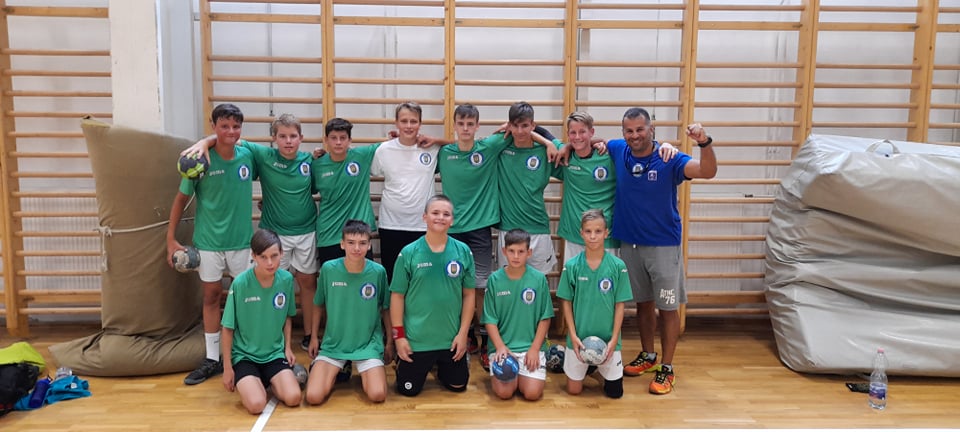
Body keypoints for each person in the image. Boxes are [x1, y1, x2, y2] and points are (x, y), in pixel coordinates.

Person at [433, 103, 556, 370]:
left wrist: (547, 141)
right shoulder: (444, 153)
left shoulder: (490, 146)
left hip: (482, 228)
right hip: (451, 230)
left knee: (482, 287)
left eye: (470, 124)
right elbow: (422, 153)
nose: (466, 128)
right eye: (461, 123)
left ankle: (490, 339)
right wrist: (426, 140)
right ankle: (464, 336)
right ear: (454, 125)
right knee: (454, 285)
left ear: (478, 126)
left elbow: (526, 133)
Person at [185, 113, 319, 352]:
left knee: (308, 282)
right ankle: (274, 337)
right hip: (274, 234)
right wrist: (204, 142)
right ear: (274, 138)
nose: (288, 141)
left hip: (306, 230)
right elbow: (229, 138)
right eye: (282, 136)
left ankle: (309, 335)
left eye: (293, 136)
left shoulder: (310, 161)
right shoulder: (263, 156)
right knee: (273, 285)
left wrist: (322, 153)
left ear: (301, 138)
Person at [610, 107, 718, 395]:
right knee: (643, 304)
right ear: (623, 133)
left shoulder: (670, 158)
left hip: (663, 246)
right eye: (629, 130)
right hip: (629, 244)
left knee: (668, 308)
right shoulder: (618, 149)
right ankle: (648, 355)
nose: (634, 135)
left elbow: (707, 171)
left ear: (652, 129)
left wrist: (704, 142)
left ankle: (667, 367)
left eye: (640, 129)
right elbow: (587, 141)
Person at [167, 103, 256, 385]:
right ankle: (212, 358)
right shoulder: (199, 161)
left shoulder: (248, 155)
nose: (230, 131)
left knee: (244, 298)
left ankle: (245, 353)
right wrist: (170, 240)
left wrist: (206, 140)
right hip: (208, 243)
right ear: (213, 125)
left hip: (242, 242)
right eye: (224, 126)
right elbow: (180, 200)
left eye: (236, 126)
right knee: (212, 296)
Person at [552, 112, 677, 261]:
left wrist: (664, 145)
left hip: (606, 237)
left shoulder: (610, 156)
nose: (577, 137)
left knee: (608, 276)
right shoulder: (565, 158)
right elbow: (538, 132)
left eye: (582, 132)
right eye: (573, 133)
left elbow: (640, 149)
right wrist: (566, 146)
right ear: (568, 134)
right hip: (574, 234)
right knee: (575, 276)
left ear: (592, 132)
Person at [390, 195, 475, 397]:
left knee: (458, 386)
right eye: (435, 213)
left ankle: (441, 366)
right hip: (417, 341)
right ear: (425, 217)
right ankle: (409, 364)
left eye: (446, 214)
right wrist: (399, 337)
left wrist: (463, 334)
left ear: (452, 220)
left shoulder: (463, 251)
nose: (440, 217)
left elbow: (469, 295)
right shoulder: (409, 253)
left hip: (451, 340)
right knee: (408, 391)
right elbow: (397, 297)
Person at [305, 220, 391, 405]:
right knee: (313, 397)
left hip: (368, 345)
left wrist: (390, 342)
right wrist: (313, 337)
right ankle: (341, 366)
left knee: (377, 395)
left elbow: (386, 308)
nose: (356, 248)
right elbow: (318, 304)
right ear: (342, 244)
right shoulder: (329, 269)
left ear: (369, 245)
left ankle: (359, 368)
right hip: (334, 345)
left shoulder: (378, 272)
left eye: (362, 243)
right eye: (351, 242)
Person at [220, 229, 301, 414]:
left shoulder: (286, 280)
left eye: (274, 256)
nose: (270, 263)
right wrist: (227, 368)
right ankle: (254, 382)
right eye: (263, 257)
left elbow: (287, 317)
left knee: (294, 398)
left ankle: (269, 381)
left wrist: (287, 348)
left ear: (282, 253)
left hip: (274, 354)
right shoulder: (240, 284)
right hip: (245, 357)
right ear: (254, 256)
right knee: (256, 405)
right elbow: (227, 328)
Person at [556, 209, 632, 399]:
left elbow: (620, 305)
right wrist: (572, 335)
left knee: (615, 393)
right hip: (579, 340)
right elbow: (566, 301)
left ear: (606, 233)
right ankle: (589, 367)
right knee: (574, 391)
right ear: (581, 233)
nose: (592, 236)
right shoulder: (572, 266)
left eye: (598, 231)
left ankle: (594, 368)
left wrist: (614, 339)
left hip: (608, 340)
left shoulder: (618, 266)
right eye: (588, 231)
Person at [481, 229, 553, 401]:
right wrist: (500, 347)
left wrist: (534, 349)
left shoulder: (539, 280)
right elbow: (490, 320)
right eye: (511, 251)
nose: (515, 256)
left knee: (532, 394)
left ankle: (524, 375)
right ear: (504, 251)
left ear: (529, 253)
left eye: (521, 252)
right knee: (504, 393)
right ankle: (516, 376)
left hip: (530, 347)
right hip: (503, 348)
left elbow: (545, 318)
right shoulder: (494, 280)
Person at [371, 102, 439, 283]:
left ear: (420, 123)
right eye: (404, 121)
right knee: (394, 280)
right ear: (396, 123)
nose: (409, 126)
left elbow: (463, 145)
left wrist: (438, 140)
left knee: (422, 281)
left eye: (413, 121)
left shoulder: (433, 148)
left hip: (422, 226)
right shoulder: (383, 150)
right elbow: (372, 171)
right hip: (391, 225)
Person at [496, 102, 558, 275]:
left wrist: (548, 142)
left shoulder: (545, 151)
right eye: (515, 126)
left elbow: (573, 149)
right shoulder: (501, 148)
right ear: (509, 126)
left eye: (525, 126)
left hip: (538, 227)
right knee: (507, 281)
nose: (520, 131)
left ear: (533, 125)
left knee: (540, 281)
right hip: (508, 228)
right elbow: (475, 145)